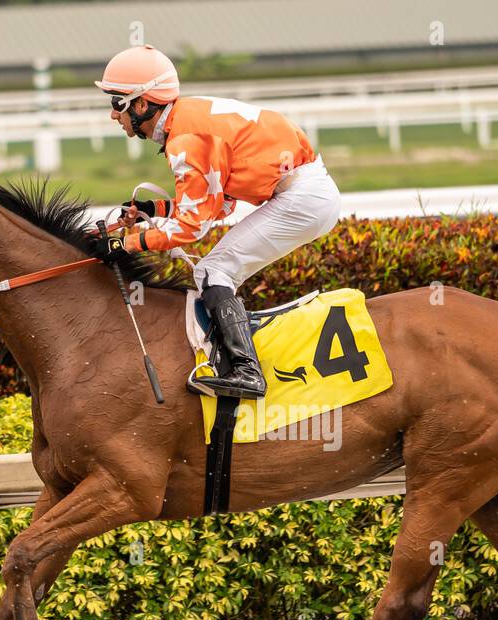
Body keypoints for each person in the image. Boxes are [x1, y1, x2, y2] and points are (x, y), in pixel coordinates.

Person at [86, 44, 342, 398]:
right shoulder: (189, 120)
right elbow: (215, 205)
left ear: (142, 104)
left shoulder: (186, 140)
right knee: (214, 270)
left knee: (212, 272)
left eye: (117, 103)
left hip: (303, 199)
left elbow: (192, 228)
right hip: (306, 191)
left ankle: (246, 372)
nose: (114, 115)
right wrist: (154, 210)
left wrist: (125, 243)